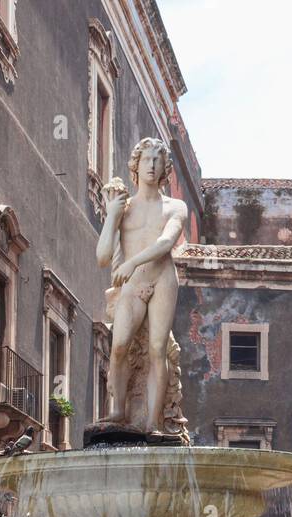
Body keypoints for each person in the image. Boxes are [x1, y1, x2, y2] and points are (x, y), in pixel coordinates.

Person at [96, 137, 188, 435]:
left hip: (161, 280)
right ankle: (118, 411)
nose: (151, 165)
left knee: (157, 349)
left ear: (165, 168)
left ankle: (154, 423)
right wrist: (111, 215)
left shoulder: (176, 206)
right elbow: (102, 257)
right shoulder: (124, 208)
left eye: (157, 160)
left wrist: (133, 262)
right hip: (132, 284)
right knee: (119, 345)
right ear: (135, 164)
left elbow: (166, 243)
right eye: (146, 159)